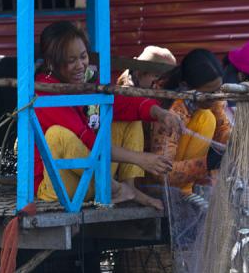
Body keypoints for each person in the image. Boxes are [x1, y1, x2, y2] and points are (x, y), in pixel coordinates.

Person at [33, 21, 182, 209]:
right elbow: (87, 141)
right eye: (71, 61)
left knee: (130, 120)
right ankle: (118, 189)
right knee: (57, 135)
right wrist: (140, 158)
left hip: (93, 179)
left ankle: (127, 188)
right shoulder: (43, 91)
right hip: (60, 186)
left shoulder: (86, 80)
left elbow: (122, 103)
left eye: (83, 57)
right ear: (51, 63)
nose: (80, 66)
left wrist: (160, 113)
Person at [149, 48, 231, 196]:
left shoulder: (213, 98)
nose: (215, 97)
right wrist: (207, 163)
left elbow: (223, 130)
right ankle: (186, 191)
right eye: (209, 93)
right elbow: (161, 173)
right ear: (186, 86)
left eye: (218, 90)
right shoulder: (169, 114)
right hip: (160, 186)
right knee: (206, 118)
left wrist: (236, 141)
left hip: (192, 178)